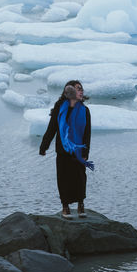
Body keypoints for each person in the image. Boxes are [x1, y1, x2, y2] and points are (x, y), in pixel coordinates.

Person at [39, 79, 93, 217]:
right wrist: (44, 146)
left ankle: (81, 205)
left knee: (80, 177)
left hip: (79, 150)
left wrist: (86, 151)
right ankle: (65, 207)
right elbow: (52, 129)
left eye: (81, 88)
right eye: (78, 88)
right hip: (63, 150)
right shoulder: (60, 109)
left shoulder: (85, 111)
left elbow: (87, 133)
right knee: (63, 178)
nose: (81, 91)